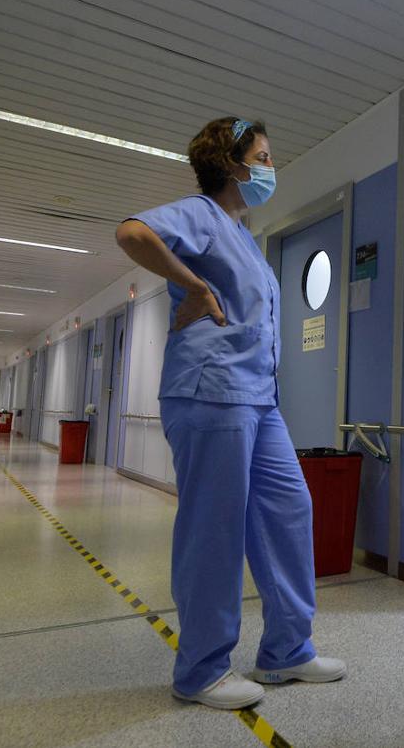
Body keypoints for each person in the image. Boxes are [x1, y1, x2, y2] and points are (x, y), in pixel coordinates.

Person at [115, 117, 345, 710]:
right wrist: (190, 283)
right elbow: (132, 233)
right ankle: (201, 669)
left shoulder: (244, 235)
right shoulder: (200, 215)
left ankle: (287, 651)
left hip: (258, 399)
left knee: (289, 507)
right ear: (233, 165)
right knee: (214, 526)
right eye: (263, 157)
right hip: (210, 391)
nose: (271, 168)